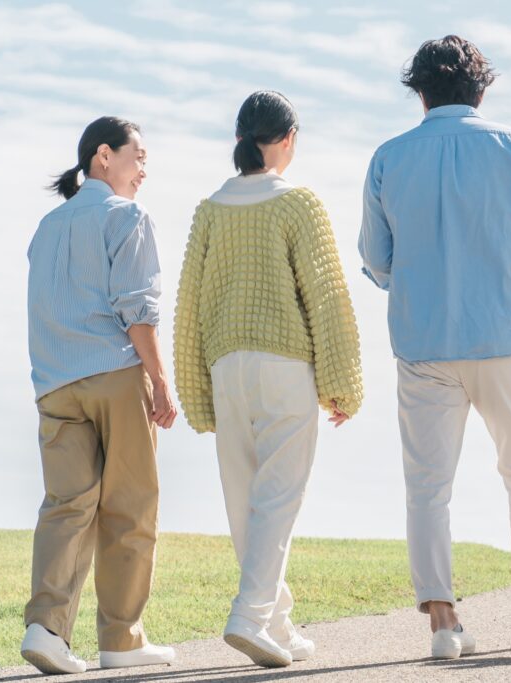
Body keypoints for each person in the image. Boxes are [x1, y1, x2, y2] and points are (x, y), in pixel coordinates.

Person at [359, 35, 511, 659]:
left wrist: (420, 281)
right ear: (482, 89)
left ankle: (443, 627)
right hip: (504, 338)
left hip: (423, 344)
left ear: (419, 93)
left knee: (427, 487)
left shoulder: (387, 158)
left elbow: (376, 259)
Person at [174, 90, 364, 668]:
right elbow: (327, 297)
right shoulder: (298, 203)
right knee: (277, 501)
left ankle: (276, 625)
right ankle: (251, 615)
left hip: (226, 368)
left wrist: (194, 391)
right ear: (286, 139)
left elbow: (189, 306)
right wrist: (345, 382)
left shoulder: (209, 209)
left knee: (245, 503)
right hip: (284, 367)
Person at [22, 116, 177, 675]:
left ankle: (46, 629)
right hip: (114, 373)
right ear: (103, 157)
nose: (144, 170)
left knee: (66, 507)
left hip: (55, 383)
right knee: (130, 507)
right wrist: (160, 381)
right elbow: (139, 310)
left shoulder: (46, 226)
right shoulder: (127, 216)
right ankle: (121, 639)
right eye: (139, 157)